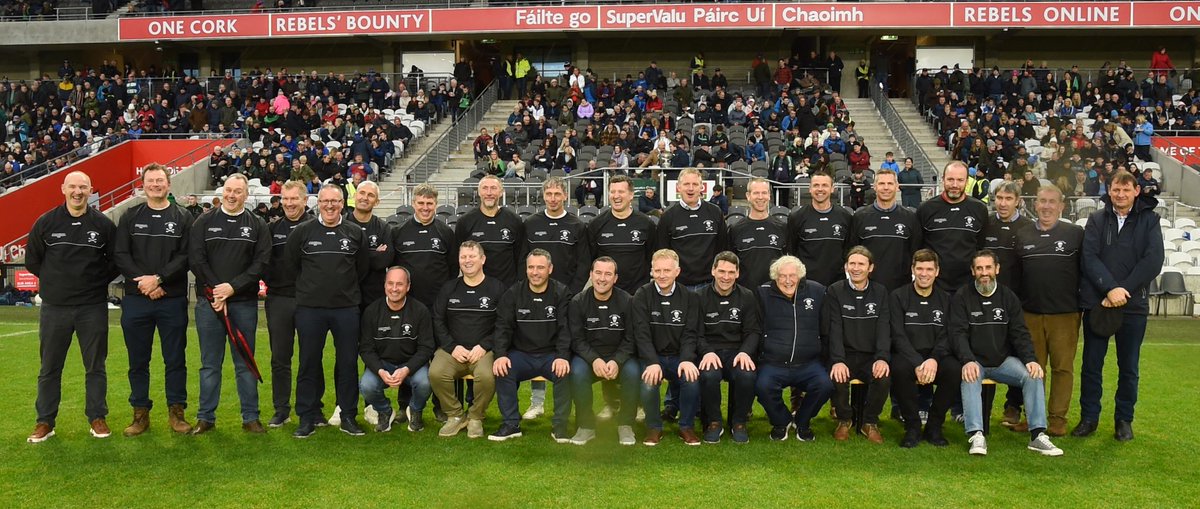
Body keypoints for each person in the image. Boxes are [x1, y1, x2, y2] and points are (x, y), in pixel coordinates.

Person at [26, 171, 118, 443]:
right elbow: (33, 261)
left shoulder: (102, 225)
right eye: (73, 187)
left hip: (92, 307)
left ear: (91, 190)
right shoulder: (46, 222)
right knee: (50, 367)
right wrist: (57, 282)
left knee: (95, 366)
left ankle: (97, 417)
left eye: (83, 187)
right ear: (63, 189)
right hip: (55, 308)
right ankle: (45, 421)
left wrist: (92, 282)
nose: (78, 192)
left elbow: (114, 261)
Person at [1075, 171, 1164, 442]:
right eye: (1116, 189)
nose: (1121, 194)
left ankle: (1124, 420)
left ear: (1136, 191)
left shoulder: (1150, 220)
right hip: (1099, 303)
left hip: (1132, 305)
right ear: (1109, 191)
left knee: (1129, 367)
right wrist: (1109, 288)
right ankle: (1089, 417)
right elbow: (1089, 258)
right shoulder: (1096, 219)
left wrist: (1122, 291)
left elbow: (1153, 260)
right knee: (1091, 365)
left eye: (1126, 190)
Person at [951, 249, 1063, 457]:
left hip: (1003, 362)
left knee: (1033, 375)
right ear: (973, 271)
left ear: (997, 269)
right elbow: (958, 333)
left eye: (988, 268)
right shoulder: (962, 296)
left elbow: (1019, 333)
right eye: (979, 268)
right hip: (976, 362)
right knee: (970, 375)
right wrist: (967, 360)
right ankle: (976, 434)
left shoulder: (1008, 297)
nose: (984, 272)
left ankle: (1037, 435)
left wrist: (1030, 360)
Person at [113, 164, 194, 436]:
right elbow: (121, 255)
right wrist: (145, 283)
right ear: (143, 185)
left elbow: (186, 257)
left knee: (175, 359)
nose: (156, 185)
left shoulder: (183, 217)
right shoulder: (130, 216)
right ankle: (140, 414)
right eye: (151, 181)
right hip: (137, 300)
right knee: (138, 360)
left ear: (168, 185)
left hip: (172, 300)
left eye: (160, 180)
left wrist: (158, 279)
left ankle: (176, 411)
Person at [188, 173, 271, 435]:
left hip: (243, 305)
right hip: (209, 305)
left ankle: (250, 417)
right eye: (228, 190)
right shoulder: (204, 221)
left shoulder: (257, 224)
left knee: (244, 362)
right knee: (210, 364)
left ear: (246, 195)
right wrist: (217, 291)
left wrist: (232, 287)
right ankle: (205, 418)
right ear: (222, 192)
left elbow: (260, 263)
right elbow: (197, 260)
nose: (232, 195)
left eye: (238, 191)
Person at [286, 185, 370, 438]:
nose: (330, 206)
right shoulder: (302, 232)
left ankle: (347, 415)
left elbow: (362, 269)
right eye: (325, 201)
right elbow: (292, 266)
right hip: (310, 309)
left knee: (346, 363)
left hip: (346, 309)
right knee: (309, 362)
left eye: (335, 201)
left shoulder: (355, 233)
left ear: (343, 203)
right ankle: (307, 416)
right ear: (317, 203)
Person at [1010, 186, 1084, 437]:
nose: (1046, 206)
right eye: (1042, 201)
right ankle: (1034, 419)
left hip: (1065, 314)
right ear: (1035, 203)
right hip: (1030, 314)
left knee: (1062, 369)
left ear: (1062, 206)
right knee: (1032, 369)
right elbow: (1017, 276)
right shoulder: (1023, 234)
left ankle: (1057, 420)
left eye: (1052, 202)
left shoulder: (1075, 234)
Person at [487, 249, 574, 442]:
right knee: (503, 369)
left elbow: (565, 329)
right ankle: (511, 424)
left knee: (565, 371)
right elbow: (503, 327)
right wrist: (500, 354)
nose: (535, 272)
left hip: (551, 355)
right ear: (526, 269)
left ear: (550, 269)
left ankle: (560, 426)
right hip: (522, 355)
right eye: (531, 267)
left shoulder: (561, 293)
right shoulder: (513, 293)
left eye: (540, 267)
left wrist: (562, 356)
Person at [430, 241, 507, 438]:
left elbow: (504, 323)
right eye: (463, 257)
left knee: (487, 376)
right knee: (436, 373)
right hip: (453, 351)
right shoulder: (449, 288)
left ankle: (475, 417)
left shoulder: (497, 288)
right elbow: (438, 320)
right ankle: (455, 416)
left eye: (472, 256)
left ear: (483, 259)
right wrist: (451, 346)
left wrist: (485, 345)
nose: (467, 261)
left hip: (483, 352)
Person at [754, 255, 834, 442]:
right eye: (782, 276)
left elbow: (826, 329)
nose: (788, 281)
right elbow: (755, 329)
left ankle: (802, 421)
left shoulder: (817, 291)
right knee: (761, 386)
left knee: (825, 385)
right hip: (774, 362)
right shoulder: (763, 294)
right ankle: (781, 421)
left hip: (808, 363)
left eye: (792, 275)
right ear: (775, 277)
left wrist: (826, 359)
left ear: (800, 276)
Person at [889, 249, 960, 448]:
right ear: (913, 270)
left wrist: (933, 359)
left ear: (937, 271)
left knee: (954, 369)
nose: (924, 273)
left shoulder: (946, 299)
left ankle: (934, 426)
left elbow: (948, 334)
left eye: (929, 269)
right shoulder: (898, 296)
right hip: (908, 355)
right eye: (919, 268)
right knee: (900, 368)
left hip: (935, 356)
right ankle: (912, 426)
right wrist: (917, 362)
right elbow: (897, 335)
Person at [568, 257, 641, 446]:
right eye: (598, 273)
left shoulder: (627, 301)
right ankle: (586, 426)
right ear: (591, 275)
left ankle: (626, 425)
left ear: (615, 278)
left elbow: (631, 339)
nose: (602, 278)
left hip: (619, 357)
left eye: (608, 274)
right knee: (576, 372)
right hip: (588, 357)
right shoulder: (578, 302)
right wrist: (594, 360)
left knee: (633, 372)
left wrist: (617, 361)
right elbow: (577, 340)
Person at [633, 249, 702, 446]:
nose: (662, 275)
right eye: (657, 270)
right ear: (651, 271)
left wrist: (687, 359)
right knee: (648, 383)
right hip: (654, 357)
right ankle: (654, 427)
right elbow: (641, 333)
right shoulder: (642, 294)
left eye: (667, 270)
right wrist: (652, 362)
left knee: (691, 378)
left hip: (679, 356)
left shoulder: (690, 297)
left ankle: (686, 426)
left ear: (677, 271)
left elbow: (691, 334)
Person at [825, 246, 891, 444]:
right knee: (838, 375)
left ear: (870, 267)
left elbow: (883, 328)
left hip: (870, 356)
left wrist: (881, 358)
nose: (856, 268)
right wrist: (837, 360)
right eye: (852, 263)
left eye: (861, 264)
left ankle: (869, 421)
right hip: (844, 354)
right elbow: (834, 328)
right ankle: (845, 419)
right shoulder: (835, 290)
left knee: (883, 377)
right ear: (846, 266)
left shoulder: (880, 292)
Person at [358, 266, 435, 433]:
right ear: (384, 285)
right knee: (367, 385)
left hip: (411, 364)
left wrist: (407, 369)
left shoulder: (420, 311)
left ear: (408, 286)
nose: (394, 289)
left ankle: (414, 410)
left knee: (425, 382)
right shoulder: (371, 312)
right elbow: (366, 349)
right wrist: (380, 370)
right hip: (384, 364)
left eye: (399, 284)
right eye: (390, 283)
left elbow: (426, 347)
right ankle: (385, 411)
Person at [696, 252, 761, 444]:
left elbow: (753, 331)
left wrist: (744, 352)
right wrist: (706, 351)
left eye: (731, 272)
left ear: (738, 273)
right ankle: (714, 422)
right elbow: (695, 333)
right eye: (722, 271)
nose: (726, 277)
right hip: (710, 351)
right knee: (709, 375)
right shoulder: (699, 297)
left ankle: (739, 422)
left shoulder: (747, 296)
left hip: (736, 351)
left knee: (747, 375)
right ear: (713, 271)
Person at [263, 180, 312, 428]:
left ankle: (311, 408)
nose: (289, 203)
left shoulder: (316, 227)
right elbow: (263, 263)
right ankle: (281, 409)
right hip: (279, 299)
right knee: (280, 357)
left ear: (305, 200)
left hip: (309, 301)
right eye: (285, 199)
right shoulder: (272, 229)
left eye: (294, 199)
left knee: (309, 358)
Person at [918, 161, 987, 291]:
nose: (955, 185)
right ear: (943, 179)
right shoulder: (926, 209)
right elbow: (918, 247)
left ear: (967, 182)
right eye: (950, 179)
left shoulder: (979, 209)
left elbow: (981, 246)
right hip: (934, 286)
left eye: (960, 180)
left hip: (968, 286)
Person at [849, 169, 921, 293]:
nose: (886, 188)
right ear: (874, 187)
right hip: (867, 289)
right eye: (882, 184)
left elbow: (916, 252)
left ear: (897, 187)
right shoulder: (860, 217)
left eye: (890, 184)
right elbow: (852, 252)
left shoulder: (910, 217)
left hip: (901, 289)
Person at [656, 168, 728, 292]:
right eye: (686, 184)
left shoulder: (715, 212)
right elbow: (663, 252)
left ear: (702, 187)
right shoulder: (668, 216)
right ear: (678, 187)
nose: (690, 188)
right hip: (679, 286)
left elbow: (722, 248)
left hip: (710, 285)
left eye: (695, 184)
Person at [589, 175, 656, 296]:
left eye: (621, 191)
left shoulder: (646, 224)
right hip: (606, 294)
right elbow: (592, 258)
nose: (616, 196)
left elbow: (650, 256)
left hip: (638, 294)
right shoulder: (596, 224)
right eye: (612, 192)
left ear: (631, 195)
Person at [524, 177, 591, 294]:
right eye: (549, 194)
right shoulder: (530, 223)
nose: (553, 199)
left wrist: (572, 292)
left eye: (557, 194)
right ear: (543, 196)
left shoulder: (577, 225)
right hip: (534, 291)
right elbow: (522, 259)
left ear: (565, 196)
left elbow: (583, 264)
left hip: (566, 293)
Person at [455, 175, 524, 287]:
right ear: (478, 192)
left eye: (493, 188)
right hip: (477, 289)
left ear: (501, 192)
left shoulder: (514, 220)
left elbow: (520, 257)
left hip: (508, 289)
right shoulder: (465, 221)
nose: (489, 193)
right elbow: (459, 258)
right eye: (485, 188)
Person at [787, 172, 852, 286]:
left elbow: (848, 250)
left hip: (837, 284)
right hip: (806, 284)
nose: (820, 189)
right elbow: (792, 252)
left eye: (825, 185)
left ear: (832, 189)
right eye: (816, 185)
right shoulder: (796, 217)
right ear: (810, 189)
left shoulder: (845, 217)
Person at [345, 180, 394, 313]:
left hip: (374, 296)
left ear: (377, 202)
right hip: (345, 295)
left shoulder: (384, 228)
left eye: (371, 195)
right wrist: (373, 253)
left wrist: (354, 254)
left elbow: (384, 260)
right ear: (355, 196)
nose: (365, 198)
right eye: (362, 193)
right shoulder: (342, 225)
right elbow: (338, 260)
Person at [728, 178, 787, 289]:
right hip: (746, 296)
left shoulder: (782, 228)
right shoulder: (735, 229)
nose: (760, 197)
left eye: (764, 193)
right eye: (756, 193)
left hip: (775, 294)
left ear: (769, 195)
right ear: (748, 196)